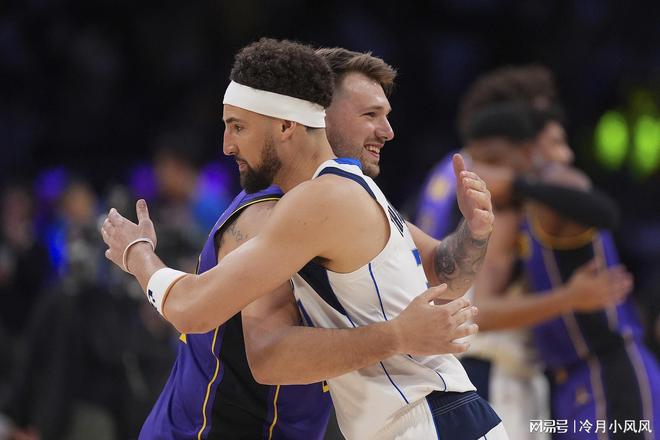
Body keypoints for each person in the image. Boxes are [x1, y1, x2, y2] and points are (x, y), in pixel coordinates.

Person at [102, 38, 507, 439]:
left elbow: (193, 310)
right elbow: (442, 275)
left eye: (238, 127)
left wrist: (136, 254)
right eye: (370, 114)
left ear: (289, 123)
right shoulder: (316, 199)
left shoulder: (330, 197)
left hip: (426, 419)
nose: (387, 131)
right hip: (418, 416)